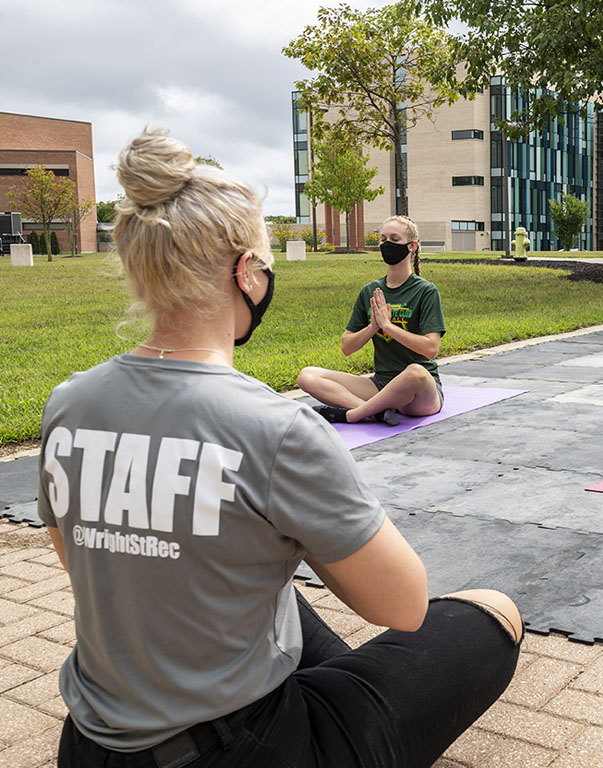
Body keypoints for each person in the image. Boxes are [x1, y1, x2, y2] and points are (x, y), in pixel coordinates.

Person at [38, 129, 521, 768]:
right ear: (246, 272)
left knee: (251, 575)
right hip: (247, 748)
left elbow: (77, 561)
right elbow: (403, 606)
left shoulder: (67, 403)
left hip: (88, 746)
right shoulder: (275, 428)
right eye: (266, 266)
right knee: (493, 613)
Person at [298, 215, 445, 427]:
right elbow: (347, 347)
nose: (387, 244)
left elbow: (431, 349)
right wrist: (373, 327)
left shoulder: (426, 291)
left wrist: (387, 327)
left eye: (394, 239)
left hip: (418, 392)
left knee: (415, 372)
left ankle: (351, 415)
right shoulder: (370, 291)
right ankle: (377, 413)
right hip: (380, 384)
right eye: (383, 239)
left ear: (412, 246)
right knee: (307, 375)